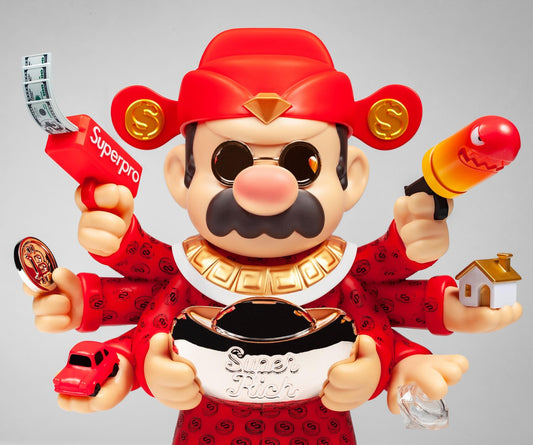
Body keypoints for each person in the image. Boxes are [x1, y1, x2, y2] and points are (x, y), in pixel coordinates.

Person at [24, 29, 521, 444]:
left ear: (352, 178)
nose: (265, 189)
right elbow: (143, 324)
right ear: (179, 176)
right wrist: (129, 362)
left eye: (303, 164)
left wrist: (396, 368)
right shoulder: (184, 275)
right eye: (229, 161)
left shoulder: (347, 276)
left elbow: (383, 323)